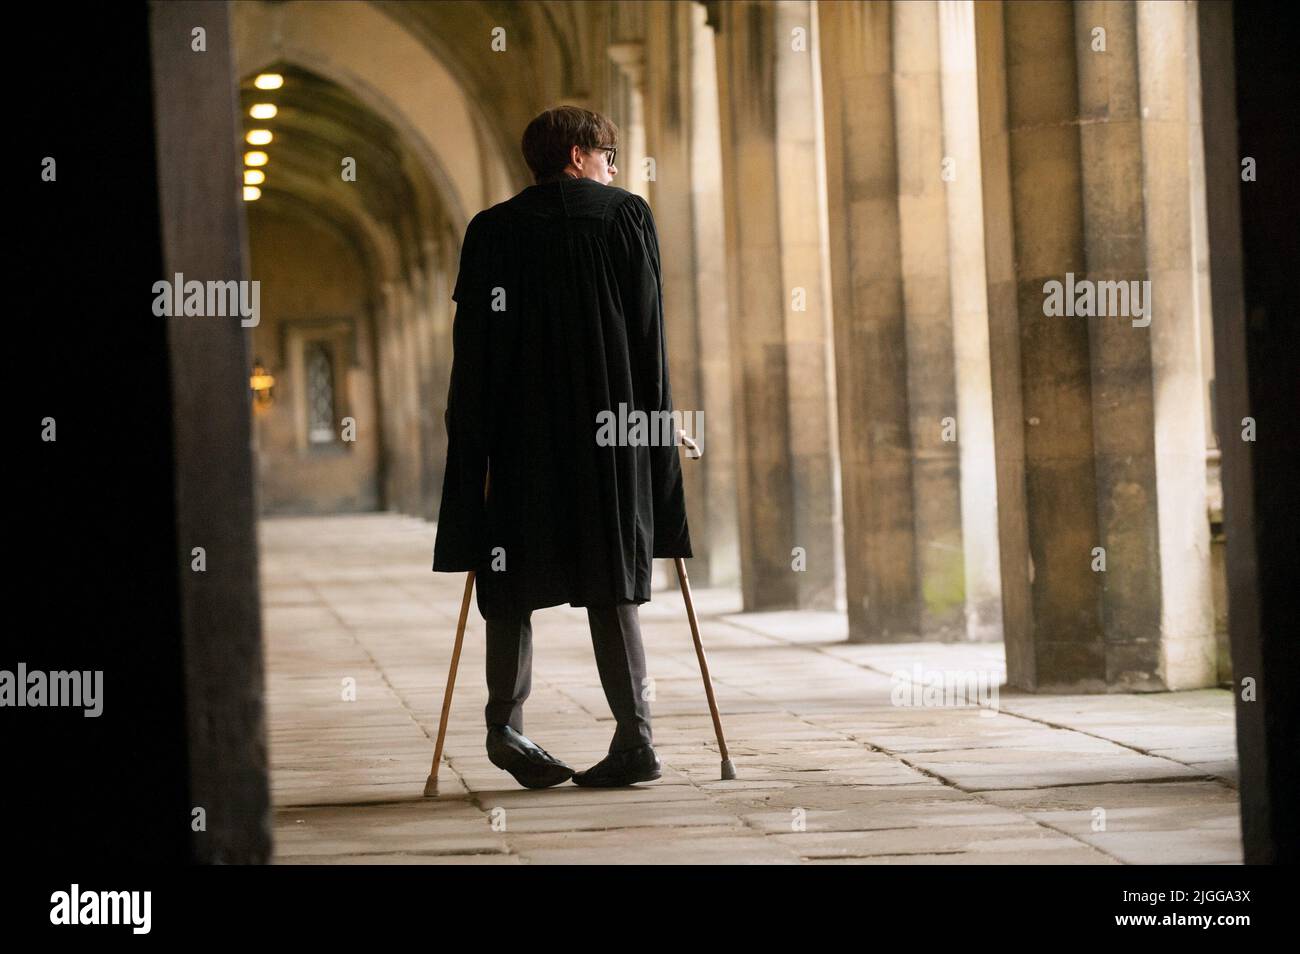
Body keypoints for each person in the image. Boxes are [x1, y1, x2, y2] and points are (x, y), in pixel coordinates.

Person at [431, 106, 693, 789]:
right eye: (607, 153)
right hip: (608, 440)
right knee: (612, 581)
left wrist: (473, 451)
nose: (613, 166)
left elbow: (474, 356)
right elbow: (648, 344)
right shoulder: (626, 217)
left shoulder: (491, 230)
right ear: (577, 155)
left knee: (508, 579)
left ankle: (505, 729)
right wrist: (658, 428)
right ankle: (636, 737)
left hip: (521, 444)